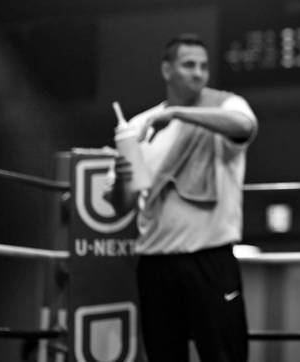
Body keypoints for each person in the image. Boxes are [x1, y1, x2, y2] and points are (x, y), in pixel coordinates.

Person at [109, 33, 257, 362]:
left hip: (211, 258)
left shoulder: (225, 105)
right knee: (163, 355)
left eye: (203, 66)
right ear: (167, 70)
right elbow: (123, 205)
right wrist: (121, 178)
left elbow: (245, 127)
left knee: (225, 355)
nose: (198, 73)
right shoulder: (138, 125)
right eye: (189, 65)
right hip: (155, 262)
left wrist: (178, 113)